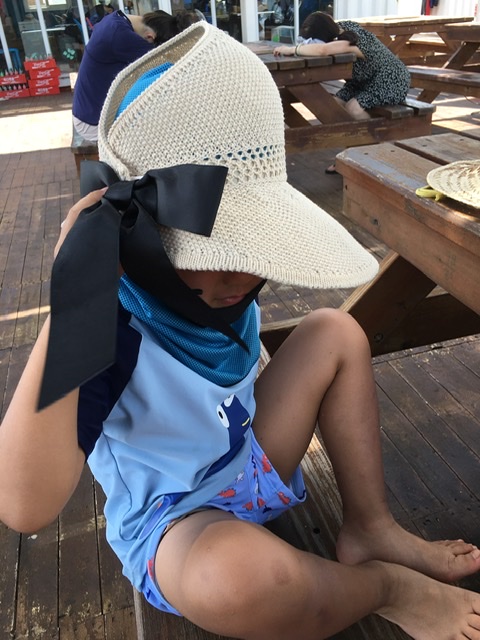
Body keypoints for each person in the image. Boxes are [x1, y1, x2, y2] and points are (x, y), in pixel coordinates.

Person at [2, 22, 480, 640]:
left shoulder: (223, 283)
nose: (238, 275)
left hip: (247, 461)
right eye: (210, 249)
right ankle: (388, 588)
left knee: (335, 331)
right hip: (178, 525)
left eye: (249, 247)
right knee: (239, 582)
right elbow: (25, 505)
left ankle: (371, 527)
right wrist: (77, 301)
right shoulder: (114, 322)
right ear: (138, 238)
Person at [274, 11, 411, 174]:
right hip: (361, 82)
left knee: (354, 108)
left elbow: (323, 50)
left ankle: (374, 149)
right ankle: (355, 153)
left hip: (390, 79)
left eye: (313, 40)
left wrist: (292, 49)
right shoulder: (338, 29)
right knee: (332, 107)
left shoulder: (350, 40)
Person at [72, 8, 198, 142]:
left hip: (86, 109)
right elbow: (170, 66)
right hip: (92, 122)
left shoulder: (116, 20)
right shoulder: (122, 37)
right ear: (150, 37)